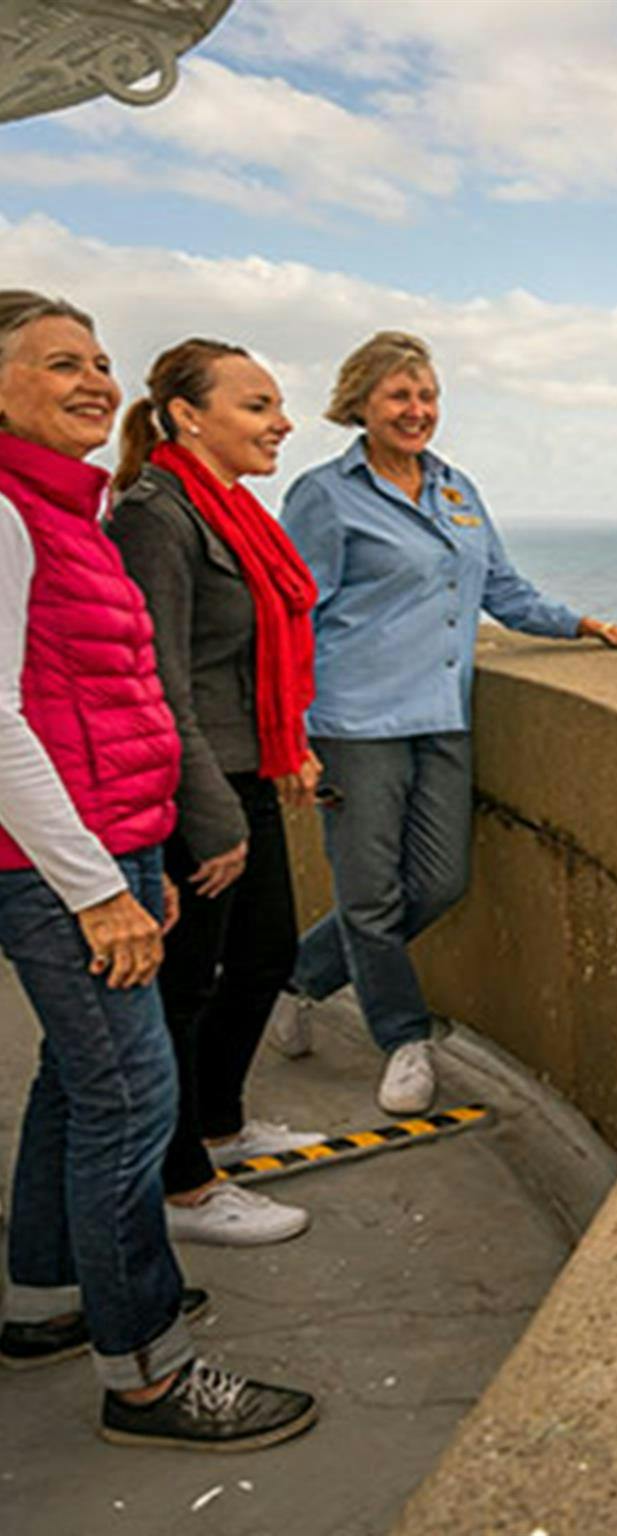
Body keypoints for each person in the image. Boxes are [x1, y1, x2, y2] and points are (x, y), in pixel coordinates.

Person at [0, 290, 315, 1449]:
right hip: (54, 857)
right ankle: (146, 1373)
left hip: (100, 841)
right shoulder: (14, 515)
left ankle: (43, 1302)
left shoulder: (64, 509)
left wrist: (138, 852)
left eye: (97, 361)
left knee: (75, 1088)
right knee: (131, 1101)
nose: (93, 380)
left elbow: (103, 696)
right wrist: (95, 884)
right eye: (56, 364)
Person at [277, 331, 617, 1116]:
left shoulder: (455, 489)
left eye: (427, 397)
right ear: (361, 404)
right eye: (398, 396)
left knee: (442, 882)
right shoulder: (325, 494)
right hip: (354, 721)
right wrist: (292, 730)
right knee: (371, 896)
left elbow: (504, 592)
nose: (417, 412)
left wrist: (586, 625)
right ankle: (403, 1038)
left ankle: (300, 976)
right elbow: (293, 615)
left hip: (441, 714)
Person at [107, 339, 326, 1248]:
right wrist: (210, 814)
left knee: (267, 952)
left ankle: (219, 1122)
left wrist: (290, 747)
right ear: (186, 416)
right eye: (257, 406)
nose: (281, 423)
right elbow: (159, 678)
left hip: (246, 767)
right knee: (187, 982)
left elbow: (253, 656)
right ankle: (183, 1184)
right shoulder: (157, 517)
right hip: (195, 782)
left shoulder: (231, 511)